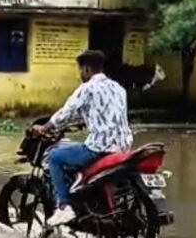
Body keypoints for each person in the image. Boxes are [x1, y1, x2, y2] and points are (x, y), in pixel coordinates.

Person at [31, 50, 133, 226]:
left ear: (86, 69)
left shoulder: (87, 88)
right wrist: (84, 122)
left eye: (80, 70)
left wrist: (44, 128)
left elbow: (66, 112)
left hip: (99, 148)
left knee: (54, 157)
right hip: (123, 147)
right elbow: (104, 113)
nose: (80, 74)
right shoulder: (119, 88)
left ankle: (64, 207)